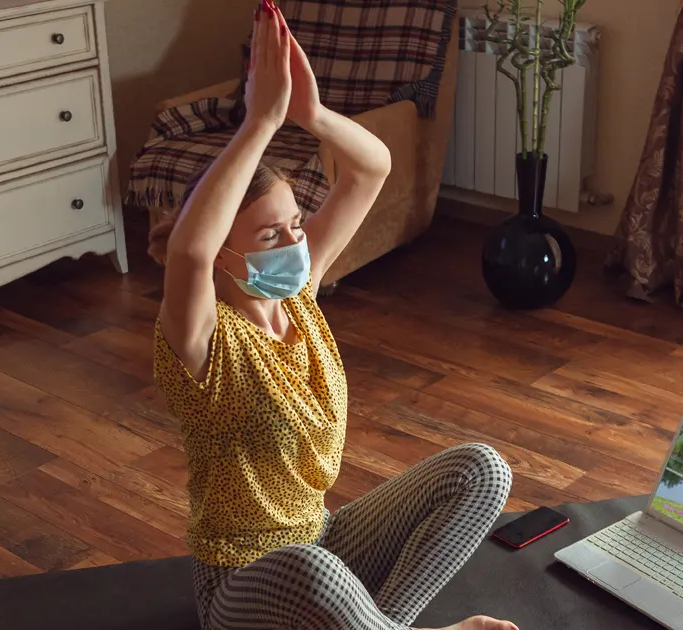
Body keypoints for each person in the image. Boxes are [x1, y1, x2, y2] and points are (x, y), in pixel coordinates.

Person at [148, 3, 516, 629]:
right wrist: (258, 121)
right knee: (309, 569)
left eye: (296, 225)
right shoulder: (201, 341)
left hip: (323, 541)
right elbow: (188, 249)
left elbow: (372, 169)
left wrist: (310, 115)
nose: (295, 243)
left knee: (481, 470)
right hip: (242, 586)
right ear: (222, 253)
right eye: (271, 235)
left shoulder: (300, 294)